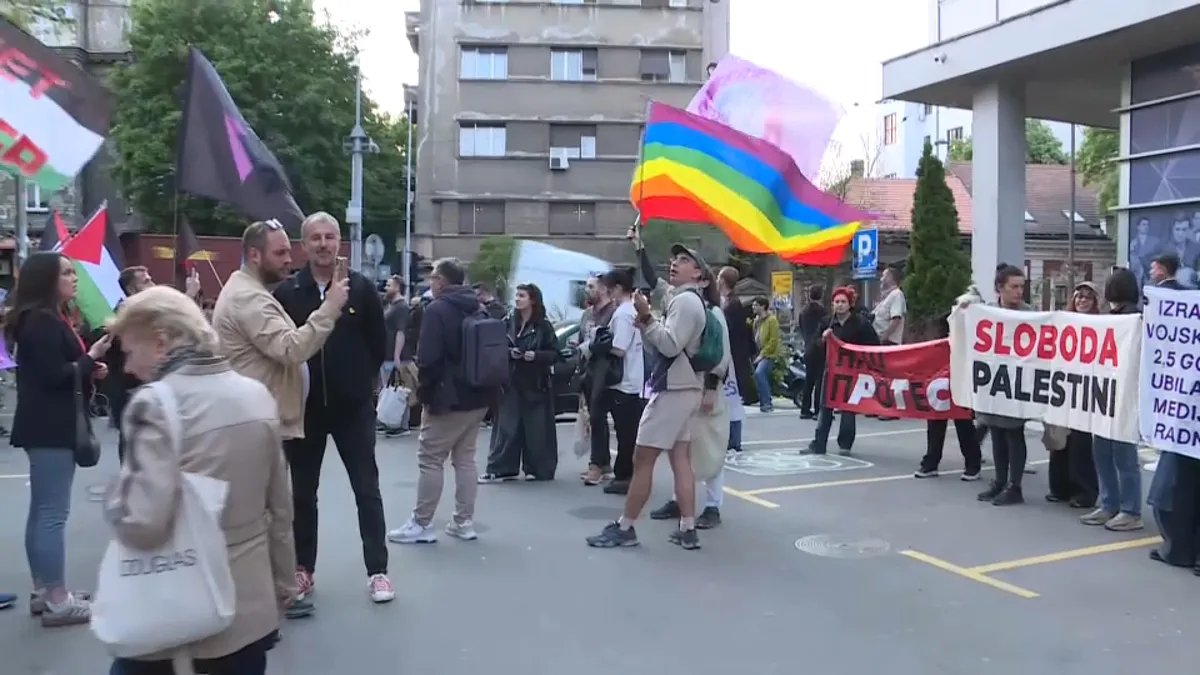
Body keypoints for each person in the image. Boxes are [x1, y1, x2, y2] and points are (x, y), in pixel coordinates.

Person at [104, 286, 296, 675]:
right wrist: (283, 581)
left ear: (160, 344)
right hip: (246, 608)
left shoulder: (154, 404)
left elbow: (144, 522)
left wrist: (114, 499)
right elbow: (280, 506)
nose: (126, 367)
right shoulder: (255, 396)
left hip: (178, 613)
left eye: (129, 351)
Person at [212, 219, 347, 618]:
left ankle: (283, 588)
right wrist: (330, 309)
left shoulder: (254, 292)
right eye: (280, 253)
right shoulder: (249, 299)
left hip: (264, 418)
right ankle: (269, 593)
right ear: (255, 255)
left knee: (277, 510)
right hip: (256, 421)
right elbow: (290, 349)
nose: (290, 260)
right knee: (265, 513)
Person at [273, 212, 393, 606]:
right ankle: (303, 569)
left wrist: (362, 383)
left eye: (330, 237)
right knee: (303, 494)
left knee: (367, 489)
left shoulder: (359, 289)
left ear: (340, 242)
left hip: (352, 409)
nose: (323, 244)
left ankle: (378, 571)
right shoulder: (289, 292)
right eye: (315, 238)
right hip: (305, 410)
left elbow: (379, 344)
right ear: (303, 245)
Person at [586, 244, 718, 551]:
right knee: (681, 459)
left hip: (674, 390)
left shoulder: (685, 302)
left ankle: (626, 527)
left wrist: (646, 318)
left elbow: (670, 346)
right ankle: (687, 527)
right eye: (674, 259)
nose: (674, 264)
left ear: (698, 272)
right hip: (686, 389)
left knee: (642, 459)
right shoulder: (690, 300)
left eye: (684, 260)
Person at [8, 252, 112, 627]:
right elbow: (55, 375)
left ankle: (45, 590)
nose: (74, 278)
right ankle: (56, 598)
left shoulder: (41, 320)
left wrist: (87, 369)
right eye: (66, 272)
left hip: (44, 424)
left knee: (42, 512)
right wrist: (91, 358)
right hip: (52, 426)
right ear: (47, 280)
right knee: (52, 514)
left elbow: (55, 372)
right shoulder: (42, 322)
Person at [388, 258, 497, 544]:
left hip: (447, 397)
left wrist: (425, 393)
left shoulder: (437, 310)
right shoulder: (478, 305)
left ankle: (422, 523)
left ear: (443, 281)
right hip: (478, 395)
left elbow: (429, 358)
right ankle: (464, 521)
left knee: (430, 458)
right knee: (465, 459)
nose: (431, 282)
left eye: (434, 277)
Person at [105, 266, 200, 463]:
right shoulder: (129, 315)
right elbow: (169, 323)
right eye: (146, 281)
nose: (153, 284)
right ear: (131, 290)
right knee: (136, 445)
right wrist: (188, 296)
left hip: (139, 388)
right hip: (129, 390)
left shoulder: (142, 313)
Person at [1082, 268, 1144, 531]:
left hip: (1120, 396)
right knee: (1105, 452)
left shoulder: (1132, 319)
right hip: (1106, 394)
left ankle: (1128, 509)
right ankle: (1111, 505)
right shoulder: (1117, 318)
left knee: (1120, 454)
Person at [480, 283, 559, 482]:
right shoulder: (508, 322)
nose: (517, 299)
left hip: (535, 383)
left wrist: (536, 355)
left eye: (522, 295)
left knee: (537, 429)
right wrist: (509, 353)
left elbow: (555, 354)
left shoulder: (543, 326)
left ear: (532, 299)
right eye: (516, 295)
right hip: (511, 381)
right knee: (506, 426)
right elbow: (497, 346)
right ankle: (500, 468)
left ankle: (539, 468)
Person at [975, 264, 1034, 506]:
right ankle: (1000, 481)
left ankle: (1015, 486)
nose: (1019, 292)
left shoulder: (1030, 314)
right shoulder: (986, 312)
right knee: (996, 431)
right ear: (1000, 288)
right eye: (1014, 287)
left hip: (1017, 383)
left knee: (1014, 432)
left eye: (1022, 287)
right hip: (994, 382)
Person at [803, 286, 877, 456]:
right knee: (825, 407)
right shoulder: (826, 322)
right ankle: (819, 443)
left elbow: (872, 346)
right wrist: (823, 339)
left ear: (850, 304)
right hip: (829, 371)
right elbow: (814, 346)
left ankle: (845, 443)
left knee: (848, 408)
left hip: (851, 372)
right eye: (837, 302)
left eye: (843, 302)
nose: (840, 305)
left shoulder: (860, 324)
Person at [1045, 282, 1100, 508]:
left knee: (1080, 443)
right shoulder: (1063, 321)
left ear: (1095, 301)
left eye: (1088, 297)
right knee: (1059, 440)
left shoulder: (1103, 324)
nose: (1082, 300)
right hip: (1063, 387)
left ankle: (1084, 491)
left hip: (1087, 389)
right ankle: (1059, 488)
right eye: (1079, 296)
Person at [913, 307, 982, 481]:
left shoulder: (972, 337)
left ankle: (973, 464)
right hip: (941, 385)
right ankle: (931, 462)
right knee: (936, 422)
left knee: (964, 424)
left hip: (961, 385)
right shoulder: (939, 339)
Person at [593, 268, 645, 495]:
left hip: (624, 380)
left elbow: (620, 348)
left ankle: (625, 475)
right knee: (627, 431)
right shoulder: (629, 310)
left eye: (608, 287)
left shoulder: (623, 313)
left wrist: (599, 344)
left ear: (617, 288)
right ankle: (625, 472)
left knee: (626, 432)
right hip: (631, 379)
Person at [579, 274, 621, 486]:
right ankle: (603, 463)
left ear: (604, 289)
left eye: (592, 286)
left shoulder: (613, 313)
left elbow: (612, 342)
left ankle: (597, 464)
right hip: (589, 370)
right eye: (587, 286)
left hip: (607, 370)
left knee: (598, 415)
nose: (588, 289)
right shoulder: (587, 314)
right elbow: (582, 338)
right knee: (595, 418)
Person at [716, 267, 757, 407]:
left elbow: (731, 328)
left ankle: (746, 395)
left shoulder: (732, 304)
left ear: (722, 281)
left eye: (718, 277)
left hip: (734, 350)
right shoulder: (727, 301)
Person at [797, 285, 827, 419]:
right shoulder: (823, 312)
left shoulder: (803, 312)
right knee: (820, 378)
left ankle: (805, 409)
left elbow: (802, 328)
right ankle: (818, 410)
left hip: (808, 346)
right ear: (821, 295)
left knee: (809, 379)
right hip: (820, 346)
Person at [750, 296, 782, 413]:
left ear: (762, 306)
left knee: (760, 373)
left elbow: (773, 340)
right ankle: (763, 401)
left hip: (768, 354)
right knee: (758, 376)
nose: (753, 307)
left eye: (755, 305)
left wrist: (762, 355)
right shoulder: (756, 321)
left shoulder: (771, 320)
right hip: (758, 352)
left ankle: (767, 402)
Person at [380, 274, 408, 393]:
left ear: (397, 287)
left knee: (392, 392)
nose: (386, 288)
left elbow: (400, 332)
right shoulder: (390, 306)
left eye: (388, 285)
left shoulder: (401, 307)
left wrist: (397, 356)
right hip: (386, 355)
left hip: (392, 357)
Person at [872, 266, 907, 345]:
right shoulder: (886, 298)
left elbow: (896, 319)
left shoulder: (897, 294)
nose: (881, 279)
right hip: (880, 341)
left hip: (888, 343)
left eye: (883, 276)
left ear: (890, 278)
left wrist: (883, 338)